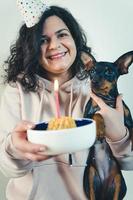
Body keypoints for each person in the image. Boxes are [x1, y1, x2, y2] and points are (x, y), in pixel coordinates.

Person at [0, 4, 133, 200]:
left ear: (75, 39)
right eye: (43, 40)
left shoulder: (101, 88)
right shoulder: (16, 89)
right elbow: (9, 170)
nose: (54, 45)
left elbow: (130, 164)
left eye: (62, 35)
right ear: (32, 48)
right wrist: (15, 148)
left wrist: (119, 135)